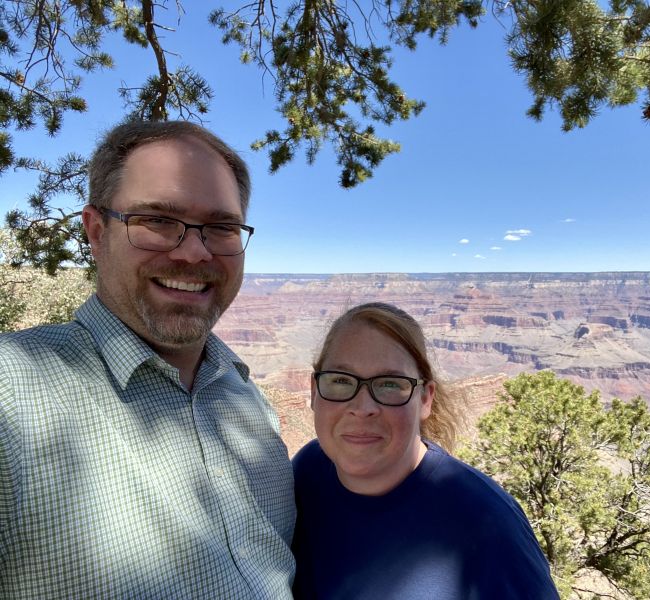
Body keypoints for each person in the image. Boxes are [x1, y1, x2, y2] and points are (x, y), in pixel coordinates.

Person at [0, 121, 295, 598]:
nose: (194, 252)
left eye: (221, 227)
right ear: (96, 233)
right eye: (158, 221)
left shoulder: (247, 401)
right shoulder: (11, 399)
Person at [292, 302, 559, 599]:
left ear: (425, 399)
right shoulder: (308, 470)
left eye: (390, 384)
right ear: (314, 392)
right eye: (341, 380)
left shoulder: (487, 524)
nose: (363, 408)